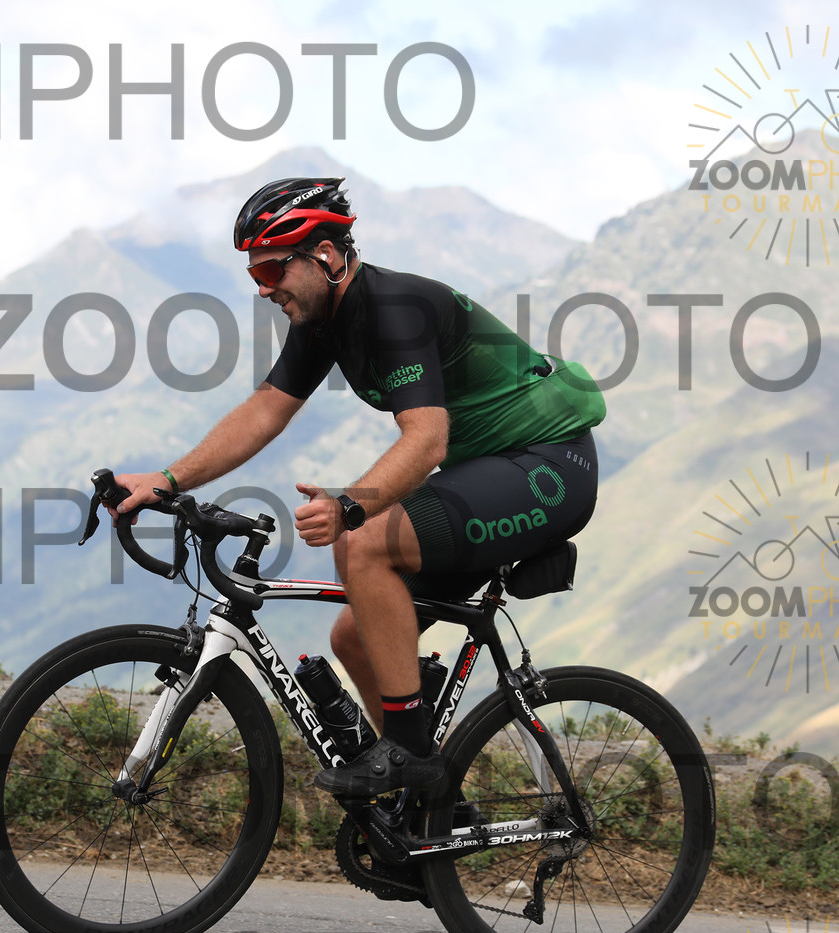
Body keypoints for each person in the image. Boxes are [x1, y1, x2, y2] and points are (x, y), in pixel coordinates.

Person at [110, 176, 606, 796]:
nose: (263, 289)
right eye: (254, 274)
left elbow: (426, 440)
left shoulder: (396, 311)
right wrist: (166, 480)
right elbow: (265, 411)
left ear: (325, 255)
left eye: (272, 271)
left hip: (548, 468)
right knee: (355, 636)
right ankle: (432, 804)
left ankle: (409, 756)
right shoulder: (325, 321)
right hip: (493, 469)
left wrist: (350, 506)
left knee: (364, 542)